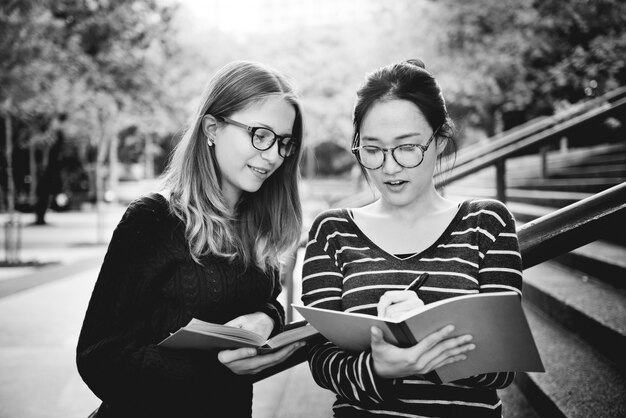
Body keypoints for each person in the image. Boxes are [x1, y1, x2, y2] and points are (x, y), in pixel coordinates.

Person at [77, 61, 306, 418]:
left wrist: (268, 318)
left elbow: (258, 303)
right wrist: (217, 368)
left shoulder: (258, 226)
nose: (274, 154)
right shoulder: (153, 221)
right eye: (261, 134)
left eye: (284, 142)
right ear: (212, 128)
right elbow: (99, 355)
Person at [301, 59, 523, 417]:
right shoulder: (332, 232)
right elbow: (322, 360)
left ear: (440, 141)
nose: (389, 168)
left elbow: (503, 367)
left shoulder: (487, 224)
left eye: (407, 147)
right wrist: (379, 369)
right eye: (372, 149)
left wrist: (425, 333)